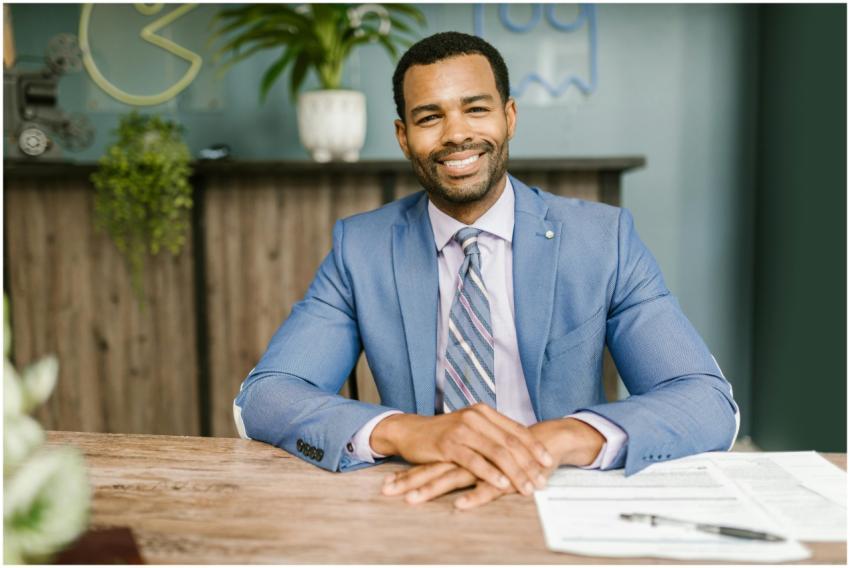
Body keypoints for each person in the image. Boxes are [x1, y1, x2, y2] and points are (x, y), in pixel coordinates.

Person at [233, 31, 739, 510]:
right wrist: (412, 431)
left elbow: (707, 402)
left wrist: (555, 439)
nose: (457, 135)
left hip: (562, 490)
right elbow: (264, 397)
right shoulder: (360, 248)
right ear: (404, 137)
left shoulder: (604, 240)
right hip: (417, 494)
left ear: (509, 116)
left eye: (476, 109)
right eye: (429, 117)